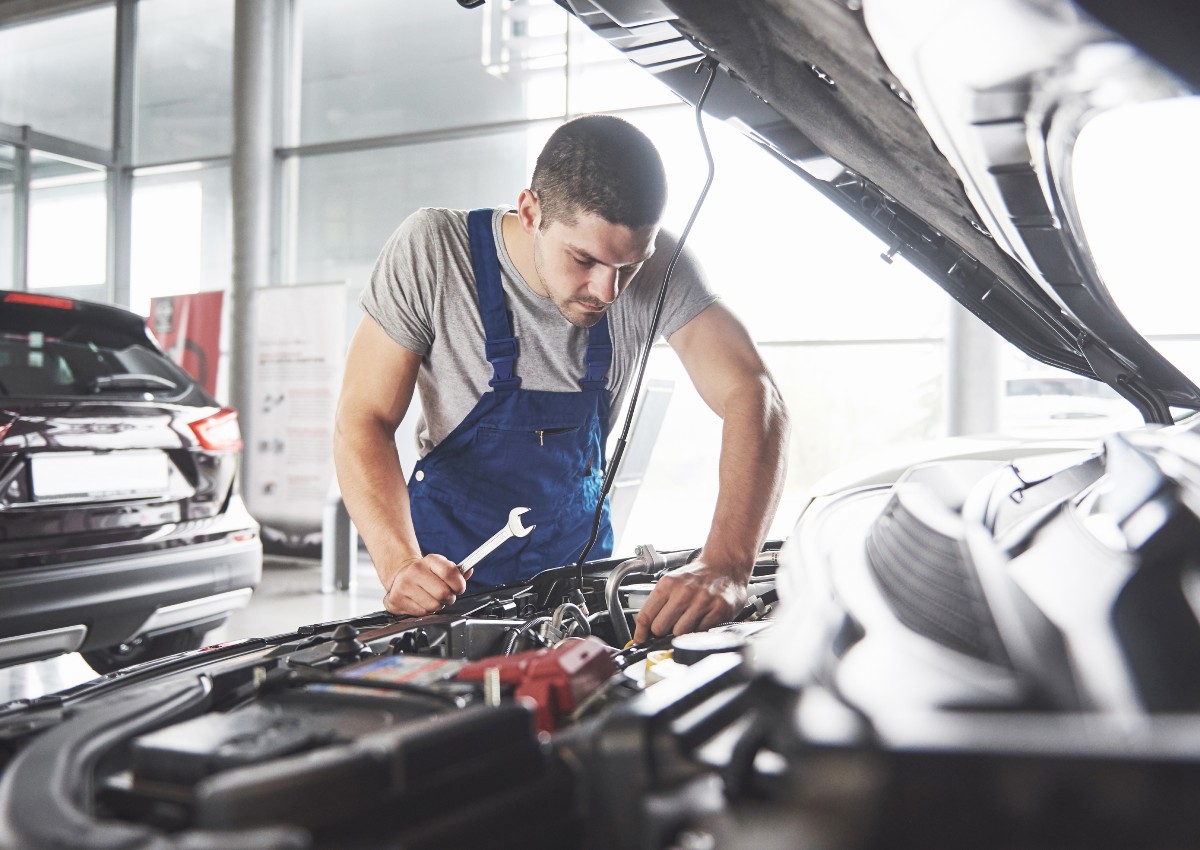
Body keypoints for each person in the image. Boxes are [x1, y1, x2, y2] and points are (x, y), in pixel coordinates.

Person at [333, 114, 789, 644]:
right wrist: (397, 565)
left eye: (630, 266)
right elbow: (362, 418)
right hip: (443, 586)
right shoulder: (436, 252)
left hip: (579, 586)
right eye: (584, 259)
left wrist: (727, 563)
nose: (610, 291)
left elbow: (754, 393)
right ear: (530, 212)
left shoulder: (660, 268)